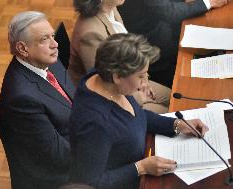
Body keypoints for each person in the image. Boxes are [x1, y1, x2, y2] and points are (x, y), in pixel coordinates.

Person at [69, 33, 208, 189]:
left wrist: (177, 125)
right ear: (117, 77)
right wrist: (140, 168)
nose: (145, 83)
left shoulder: (104, 78)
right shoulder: (95, 124)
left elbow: (136, 116)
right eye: (141, 76)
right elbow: (90, 183)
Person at [0, 11, 75, 189]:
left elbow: (75, 102)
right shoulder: (20, 99)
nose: (55, 44)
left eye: (53, 36)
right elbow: (59, 157)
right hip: (58, 179)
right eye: (44, 39)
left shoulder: (46, 60)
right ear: (23, 48)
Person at [68, 0, 171, 114]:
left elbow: (129, 51)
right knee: (170, 112)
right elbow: (105, 83)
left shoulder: (111, 9)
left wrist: (143, 80)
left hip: (130, 79)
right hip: (112, 101)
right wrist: (140, 96)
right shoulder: (90, 34)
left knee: (174, 97)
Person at [117, 0, 229, 87]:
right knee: (195, 77)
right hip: (154, 47)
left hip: (164, 31)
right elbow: (169, 13)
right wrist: (208, 3)